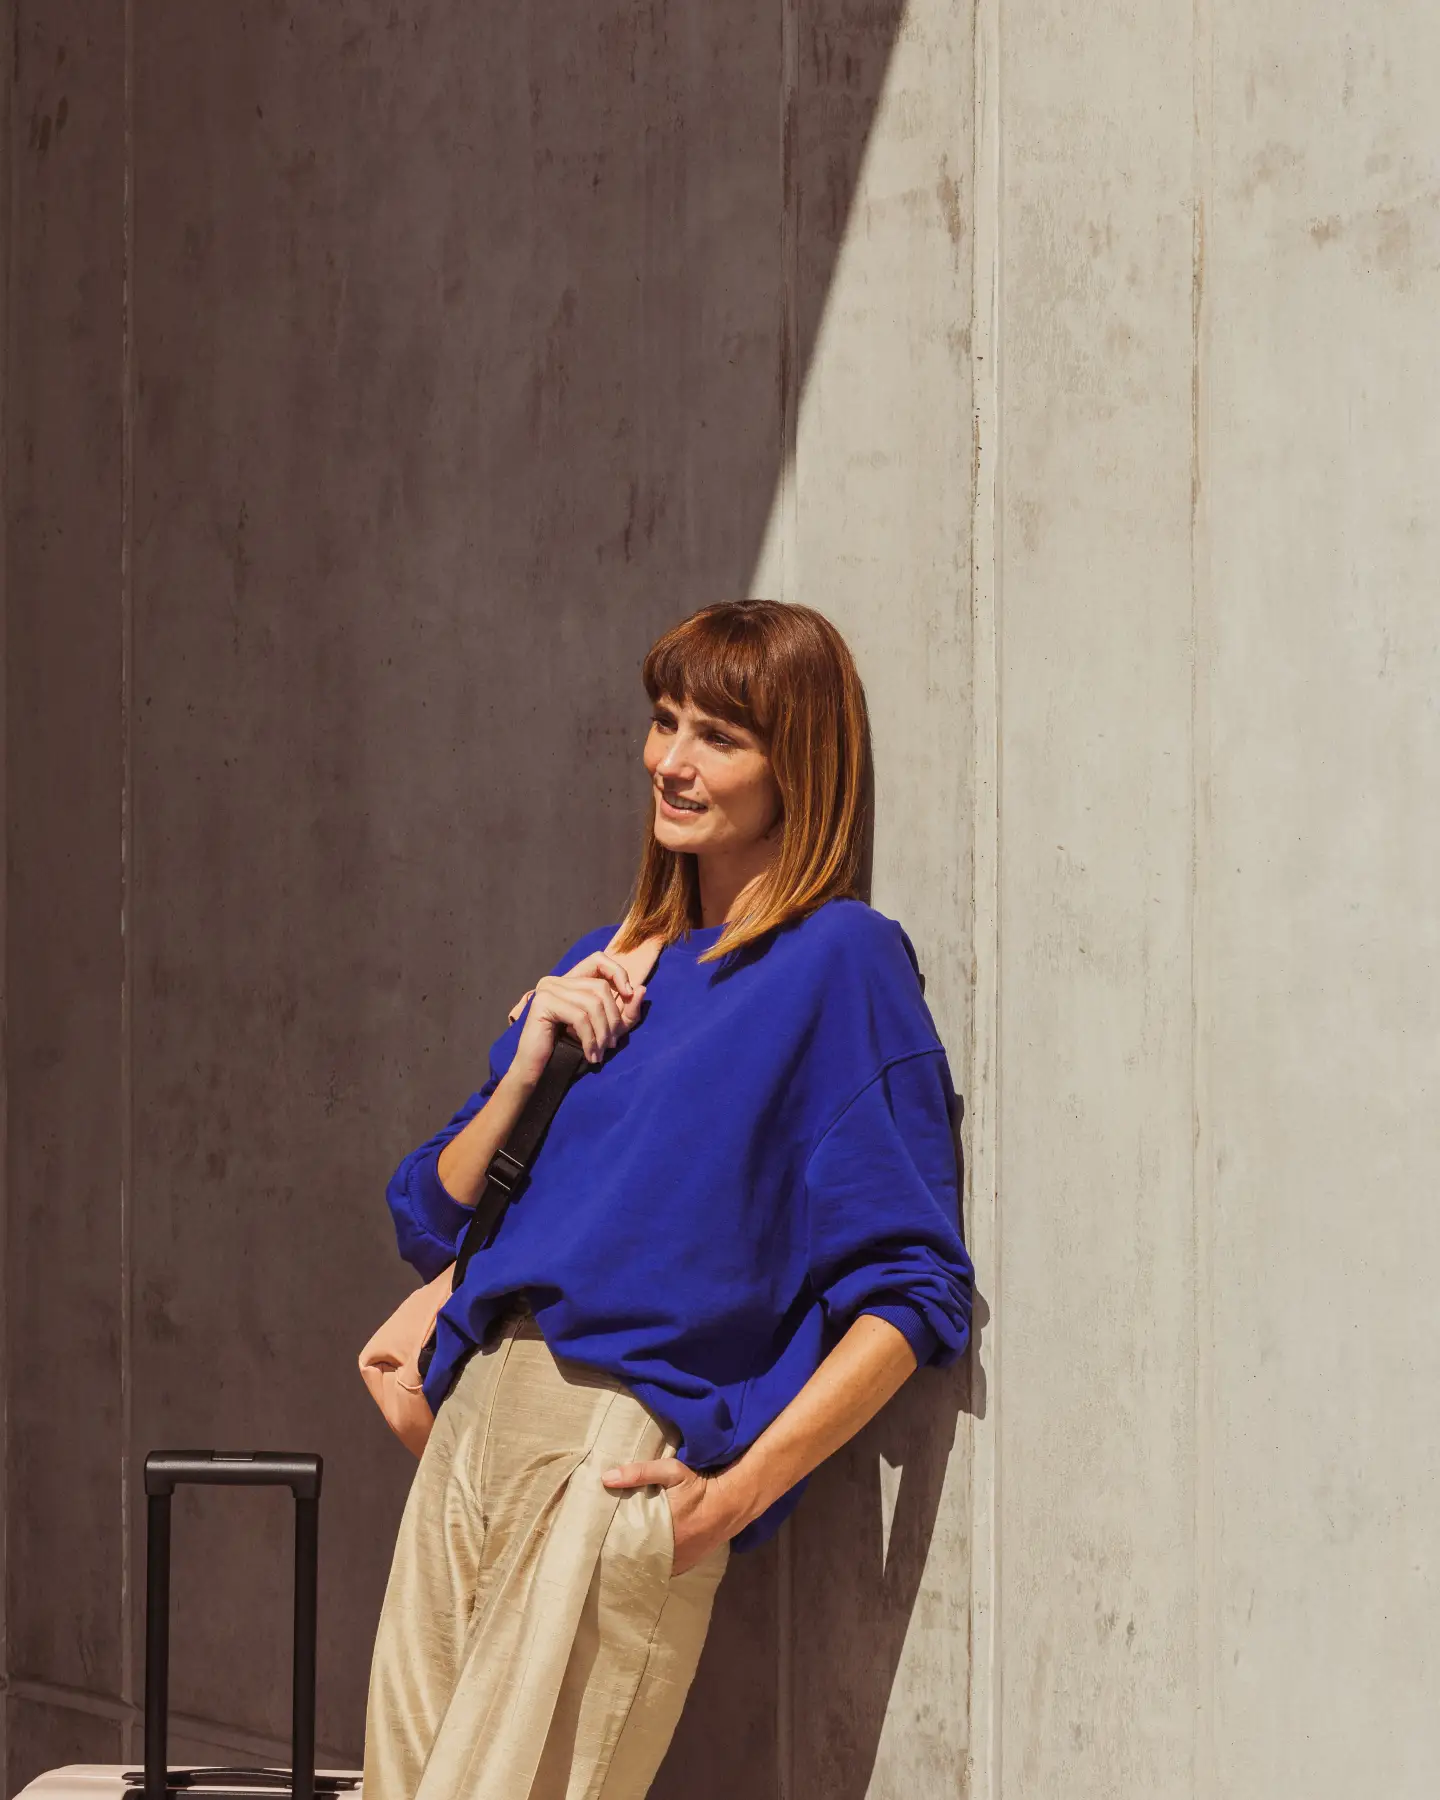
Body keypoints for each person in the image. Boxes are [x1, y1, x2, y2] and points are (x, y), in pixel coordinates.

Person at [362, 599, 974, 1800]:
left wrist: (735, 1495)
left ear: (797, 767)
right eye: (664, 721)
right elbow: (428, 1218)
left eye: (721, 737)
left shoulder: (837, 963)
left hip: (615, 1444)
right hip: (476, 1424)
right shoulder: (613, 966)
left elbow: (914, 1290)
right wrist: (534, 1055)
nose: (673, 762)